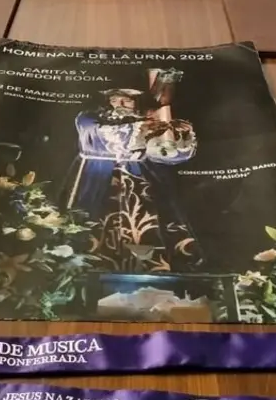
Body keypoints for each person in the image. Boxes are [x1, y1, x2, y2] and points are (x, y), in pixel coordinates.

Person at [65, 70, 198, 273]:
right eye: (114, 99)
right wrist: (145, 126)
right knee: (92, 231)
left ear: (137, 101)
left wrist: (167, 122)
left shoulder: (146, 121)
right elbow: (102, 136)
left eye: (126, 100)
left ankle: (149, 274)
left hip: (140, 180)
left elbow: (169, 154)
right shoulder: (88, 118)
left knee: (147, 229)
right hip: (97, 178)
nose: (118, 105)